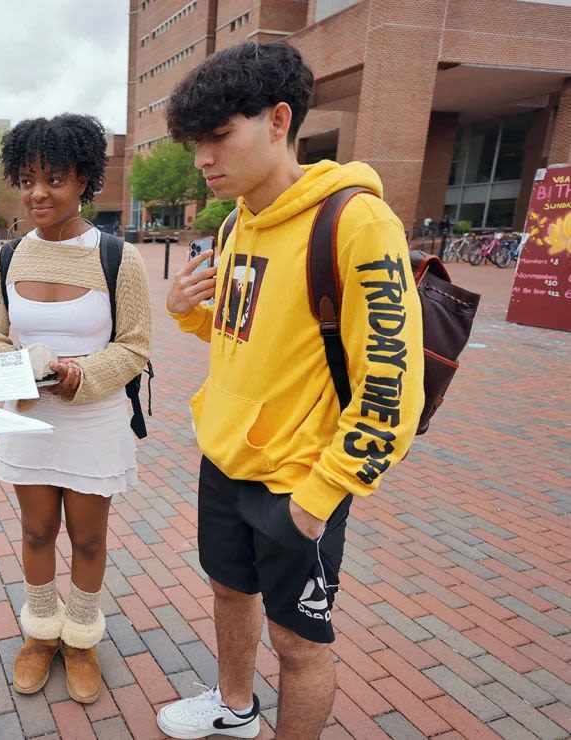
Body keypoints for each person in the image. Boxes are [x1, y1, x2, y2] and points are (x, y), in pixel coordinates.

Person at [157, 41, 423, 739]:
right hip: (225, 460)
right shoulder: (238, 220)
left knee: (300, 645)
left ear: (278, 121)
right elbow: (249, 338)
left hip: (299, 481)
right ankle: (235, 708)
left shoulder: (356, 222)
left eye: (220, 135)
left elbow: (392, 386)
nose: (203, 158)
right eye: (196, 142)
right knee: (227, 589)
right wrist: (190, 311)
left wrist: (320, 498)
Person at [0, 114, 152, 705]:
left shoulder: (116, 257)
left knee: (89, 538)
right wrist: (23, 370)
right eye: (27, 179)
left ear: (84, 181)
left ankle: (80, 639)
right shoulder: (5, 259)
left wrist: (84, 375)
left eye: (53, 178)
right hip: (29, 417)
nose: (37, 193)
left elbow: (134, 346)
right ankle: (40, 634)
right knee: (35, 529)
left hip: (93, 418)